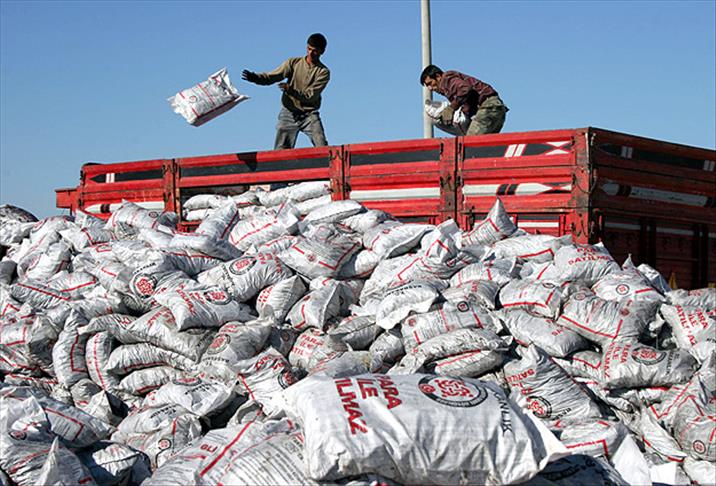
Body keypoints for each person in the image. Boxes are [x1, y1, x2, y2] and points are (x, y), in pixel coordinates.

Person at [242, 33, 330, 150]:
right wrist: (255, 78)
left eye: (315, 51)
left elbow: (311, 96)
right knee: (280, 151)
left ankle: (328, 167)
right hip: (289, 113)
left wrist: (291, 91)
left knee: (322, 145)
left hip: (309, 114)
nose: (310, 53)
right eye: (309, 49)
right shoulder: (293, 63)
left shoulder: (323, 72)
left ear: (322, 51)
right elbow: (272, 76)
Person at [420, 65, 508, 135]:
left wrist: (451, 108)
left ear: (438, 76)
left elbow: (465, 89)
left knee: (470, 143)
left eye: (430, 83)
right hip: (496, 109)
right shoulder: (449, 88)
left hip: (489, 107)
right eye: (427, 86)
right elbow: (469, 101)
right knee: (483, 147)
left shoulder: (446, 79)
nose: (430, 88)